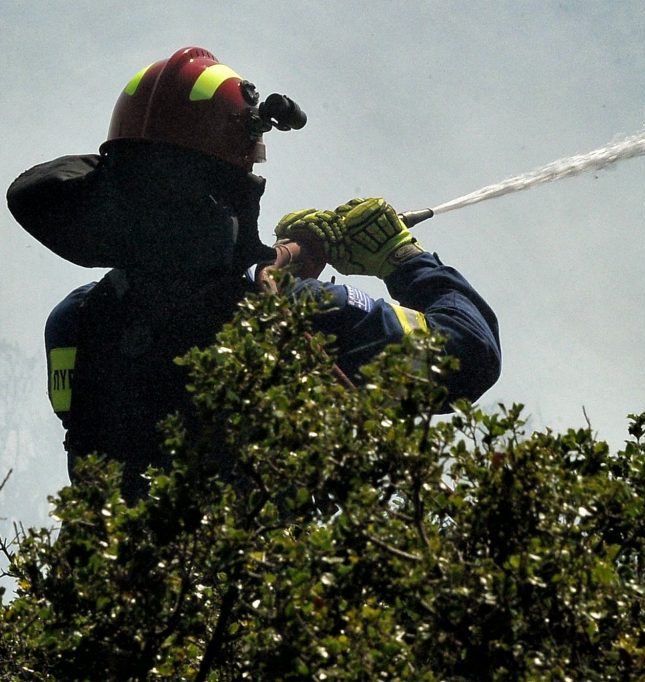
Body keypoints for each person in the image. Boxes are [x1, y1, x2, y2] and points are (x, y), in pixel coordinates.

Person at [7, 47, 501, 503]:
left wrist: (273, 256)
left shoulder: (75, 321)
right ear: (236, 190)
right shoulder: (302, 316)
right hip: (270, 591)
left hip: (126, 590)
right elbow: (471, 352)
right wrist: (400, 256)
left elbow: (177, 257)